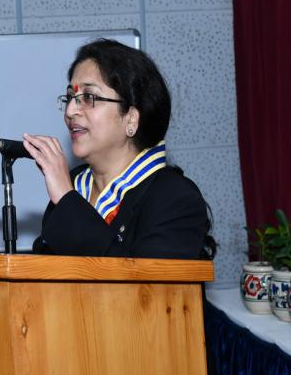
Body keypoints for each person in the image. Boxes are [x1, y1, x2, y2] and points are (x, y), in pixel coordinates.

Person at [23, 38, 215, 259]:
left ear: (131, 118)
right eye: (70, 97)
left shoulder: (174, 197)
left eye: (89, 97)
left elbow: (135, 280)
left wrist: (67, 200)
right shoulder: (74, 185)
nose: (70, 111)